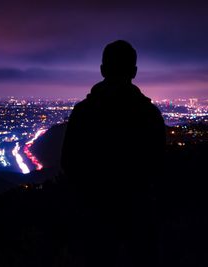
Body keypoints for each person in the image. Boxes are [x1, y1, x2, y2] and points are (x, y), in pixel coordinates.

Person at [61, 40, 166, 266]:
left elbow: (69, 163)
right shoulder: (149, 114)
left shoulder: (83, 112)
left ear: (102, 70)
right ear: (134, 72)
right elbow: (159, 166)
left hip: (93, 214)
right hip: (139, 215)